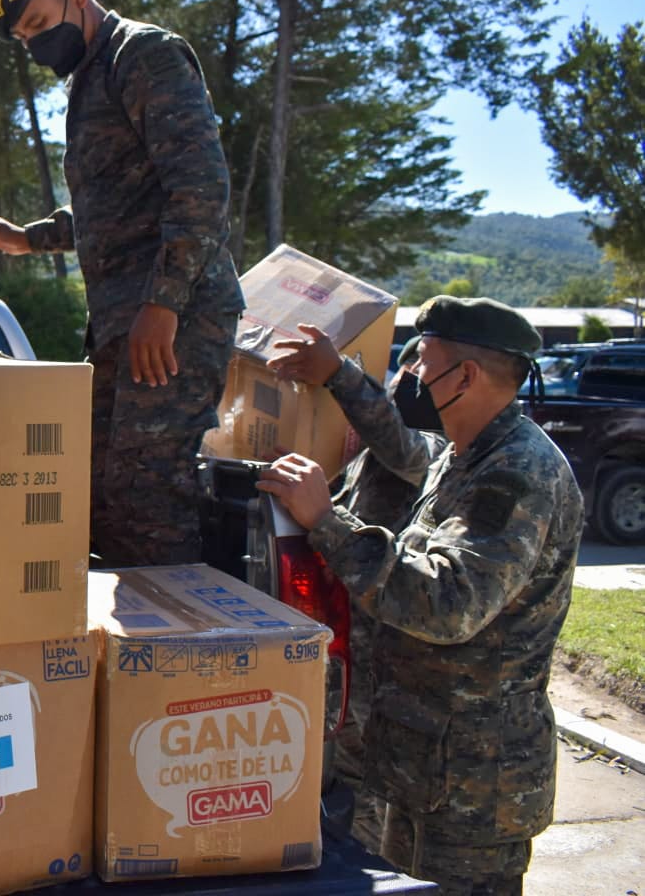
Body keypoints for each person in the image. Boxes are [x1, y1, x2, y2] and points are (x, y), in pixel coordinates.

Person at [257, 297, 583, 895]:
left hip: (472, 787)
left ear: (466, 376)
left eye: (423, 363)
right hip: (421, 764)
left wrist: (328, 523)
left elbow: (449, 604)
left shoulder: (516, 474)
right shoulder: (462, 456)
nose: (411, 377)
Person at [0, 0, 244, 566]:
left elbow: (200, 188)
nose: (36, 45)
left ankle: (176, 621)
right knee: (97, 492)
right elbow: (114, 209)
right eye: (23, 38)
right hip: (124, 324)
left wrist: (162, 304)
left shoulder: (143, 55)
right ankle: (129, 620)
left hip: (175, 321)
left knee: (147, 498)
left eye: (38, 23)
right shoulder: (90, 80)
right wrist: (30, 238)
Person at [267, 332, 438, 852]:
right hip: (349, 636)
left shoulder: (437, 451)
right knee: (344, 768)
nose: (410, 378)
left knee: (370, 783)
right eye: (407, 367)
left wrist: (339, 375)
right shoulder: (371, 455)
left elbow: (403, 447)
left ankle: (368, 865)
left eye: (423, 368)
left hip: (385, 646)